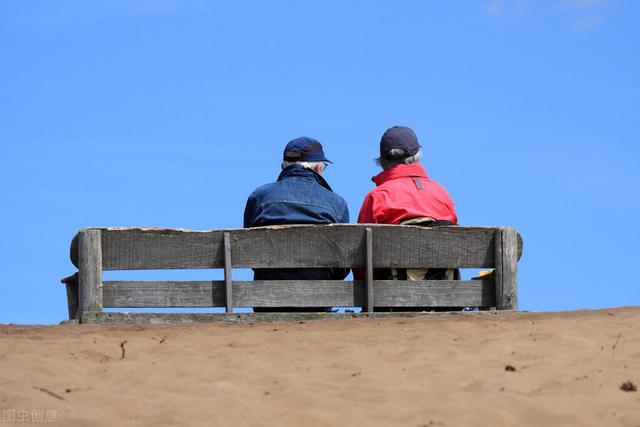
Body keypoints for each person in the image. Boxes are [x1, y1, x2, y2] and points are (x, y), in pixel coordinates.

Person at [244, 136, 350, 311]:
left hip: (267, 300)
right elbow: (343, 267)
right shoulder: (337, 204)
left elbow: (248, 254)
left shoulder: (259, 198)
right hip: (319, 301)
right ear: (318, 167)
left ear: (283, 167)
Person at [357, 126, 459, 291]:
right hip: (443, 296)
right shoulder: (442, 194)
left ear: (382, 161)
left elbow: (361, 262)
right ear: (417, 156)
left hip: (391, 298)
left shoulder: (377, 197)